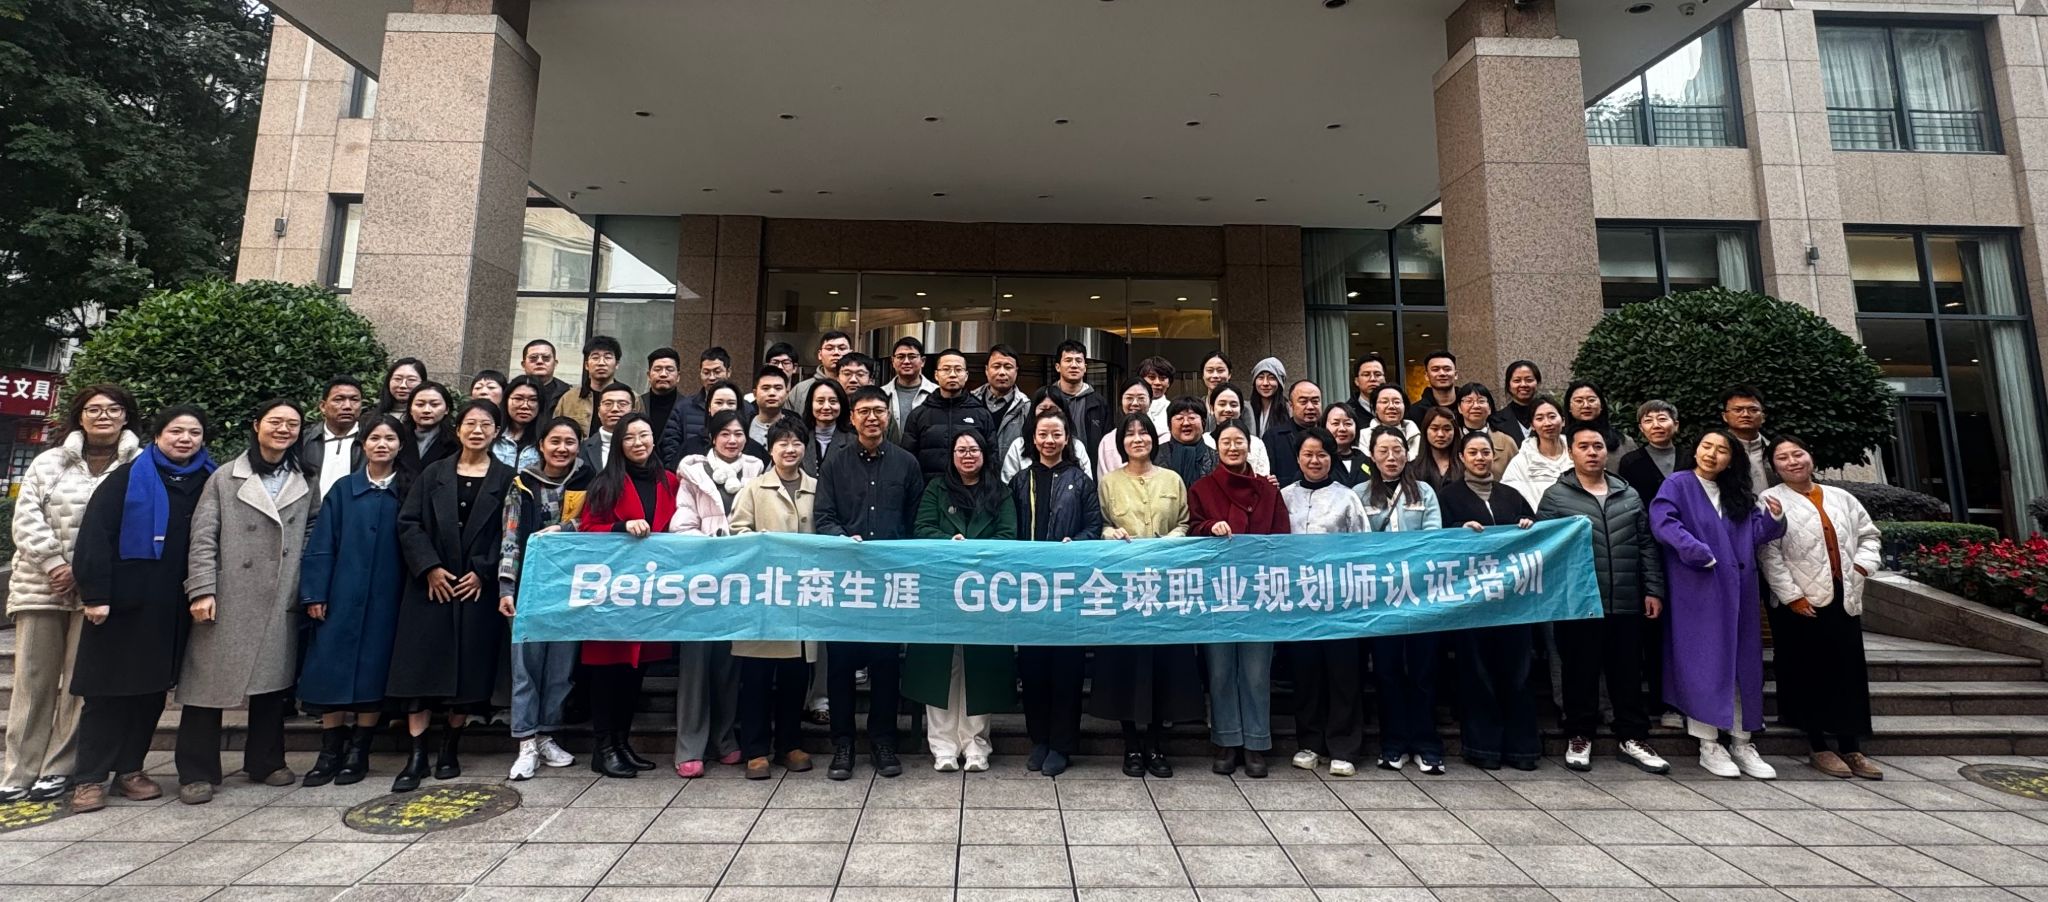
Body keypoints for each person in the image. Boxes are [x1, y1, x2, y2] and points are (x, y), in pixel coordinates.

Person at [65, 407, 211, 813]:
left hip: (171, 605)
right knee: (105, 692)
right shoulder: (128, 478)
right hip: (121, 602)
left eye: (194, 432)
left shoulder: (208, 480)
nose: (185, 439)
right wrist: (95, 594)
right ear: (158, 435)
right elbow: (95, 535)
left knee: (150, 692)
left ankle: (130, 769)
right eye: (176, 431)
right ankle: (89, 777)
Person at [177, 399, 319, 802]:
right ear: (256, 425)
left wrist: (301, 571)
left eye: (292, 424)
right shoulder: (225, 476)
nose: (284, 430)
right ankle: (196, 771)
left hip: (280, 589)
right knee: (207, 684)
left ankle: (266, 761)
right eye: (276, 422)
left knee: (272, 685)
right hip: (229, 592)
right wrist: (201, 588)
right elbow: (203, 535)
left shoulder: (306, 478)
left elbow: (313, 525)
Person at [6, 385, 141, 803]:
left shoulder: (138, 464)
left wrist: (89, 574)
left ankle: (59, 767)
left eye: (113, 409)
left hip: (97, 591)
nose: (104, 416)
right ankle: (20, 769)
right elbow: (26, 517)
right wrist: (54, 564)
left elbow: (135, 525)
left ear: (126, 416)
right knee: (33, 680)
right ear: (79, 416)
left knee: (79, 684)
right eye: (94, 409)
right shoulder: (49, 462)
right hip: (41, 584)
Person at [389, 399, 516, 792]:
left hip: (475, 588)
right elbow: (409, 523)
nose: (477, 431)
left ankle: (449, 749)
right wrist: (429, 566)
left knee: (466, 673)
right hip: (431, 586)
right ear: (458, 429)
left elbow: (510, 531)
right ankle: (416, 757)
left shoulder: (507, 478)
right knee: (420, 670)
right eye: (470, 424)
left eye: (486, 425)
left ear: (497, 432)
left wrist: (483, 571)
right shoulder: (434, 473)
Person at [1651, 428, 1787, 780]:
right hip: (1697, 587)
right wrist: (1697, 552)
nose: (1712, 454)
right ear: (1695, 450)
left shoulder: (1737, 494)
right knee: (1703, 661)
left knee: (1743, 664)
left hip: (1740, 590)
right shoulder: (1678, 484)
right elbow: (1663, 522)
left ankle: (1742, 741)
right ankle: (1708, 743)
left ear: (1731, 460)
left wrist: (1774, 519)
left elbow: (1756, 533)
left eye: (1721, 450)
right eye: (1706, 446)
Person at [1535, 422, 1671, 774]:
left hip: (1626, 599)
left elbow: (1646, 546)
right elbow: (1544, 549)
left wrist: (1653, 589)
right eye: (1584, 447)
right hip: (1578, 602)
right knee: (1579, 672)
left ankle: (1632, 737)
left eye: (1597, 446)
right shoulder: (1556, 496)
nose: (1592, 452)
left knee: (1627, 672)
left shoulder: (1628, 494)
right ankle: (1579, 735)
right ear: (1571, 453)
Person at [814, 386, 926, 780]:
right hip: (846, 579)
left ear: (888, 416)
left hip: (889, 581)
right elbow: (824, 516)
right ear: (852, 418)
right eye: (864, 411)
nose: (872, 418)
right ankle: (843, 744)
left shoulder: (906, 464)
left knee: (885, 664)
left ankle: (883, 741)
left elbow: (916, 520)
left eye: (879, 410)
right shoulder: (835, 463)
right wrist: (844, 539)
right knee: (840, 666)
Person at [1761, 436, 1884, 780]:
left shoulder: (1842, 497)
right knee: (1807, 671)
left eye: (1797, 454)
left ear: (1810, 457)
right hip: (1798, 601)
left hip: (1843, 596)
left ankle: (1851, 746)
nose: (1792, 461)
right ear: (1774, 467)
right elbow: (1768, 552)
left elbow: (1869, 535)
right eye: (1783, 458)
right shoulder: (1770, 500)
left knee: (1847, 671)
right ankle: (1818, 745)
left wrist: (1862, 566)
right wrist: (1791, 596)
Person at [297, 415, 408, 788]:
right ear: (363, 445)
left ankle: (359, 751)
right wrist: (315, 592)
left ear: (400, 446)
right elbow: (322, 543)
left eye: (390, 438)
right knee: (330, 667)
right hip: (341, 593)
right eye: (375, 438)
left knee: (374, 670)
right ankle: (329, 751)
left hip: (387, 597)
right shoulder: (344, 490)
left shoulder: (407, 490)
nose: (382, 444)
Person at [1095, 413, 1200, 779]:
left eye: (1144, 433)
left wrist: (1168, 542)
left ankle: (1155, 744)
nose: (1137, 439)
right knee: (1125, 664)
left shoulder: (1172, 479)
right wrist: (1111, 534)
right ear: (1121, 442)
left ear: (1154, 439)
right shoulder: (1109, 482)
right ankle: (1131, 745)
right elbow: (1102, 523)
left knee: (1163, 664)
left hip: (1164, 585)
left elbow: (1185, 522)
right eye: (1130, 434)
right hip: (1124, 586)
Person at [907, 431, 1018, 773]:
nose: (967, 456)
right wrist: (949, 540)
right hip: (941, 588)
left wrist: (976, 551)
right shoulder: (936, 489)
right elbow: (922, 528)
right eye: (960, 450)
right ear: (952, 456)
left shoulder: (1000, 491)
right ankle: (942, 746)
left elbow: (1008, 535)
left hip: (985, 590)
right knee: (940, 668)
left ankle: (976, 745)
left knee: (979, 669)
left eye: (973, 450)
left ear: (984, 454)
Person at [576, 413, 677, 779]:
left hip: (651, 594)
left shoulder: (670, 481)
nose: (638, 443)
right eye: (630, 437)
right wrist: (620, 527)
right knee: (608, 673)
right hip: (612, 593)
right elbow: (586, 530)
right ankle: (603, 748)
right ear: (619, 444)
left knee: (636, 674)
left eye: (644, 435)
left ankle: (622, 743)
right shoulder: (606, 483)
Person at [1189, 419, 1290, 777]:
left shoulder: (1268, 490)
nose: (1233, 448)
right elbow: (1191, 530)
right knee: (1219, 671)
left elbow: (1282, 538)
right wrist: (1209, 528)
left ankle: (1256, 743)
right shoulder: (1201, 488)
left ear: (1250, 446)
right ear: (1216, 447)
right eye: (1226, 442)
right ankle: (1226, 740)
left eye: (1239, 441)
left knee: (1256, 672)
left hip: (1260, 592)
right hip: (1217, 593)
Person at [1438, 431, 1541, 771]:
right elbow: (1437, 539)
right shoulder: (1448, 496)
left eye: (1485, 452)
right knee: (1477, 673)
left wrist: (1529, 524)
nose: (1480, 458)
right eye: (1473, 453)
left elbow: (1538, 533)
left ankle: (1522, 750)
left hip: (1513, 600)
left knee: (1518, 673)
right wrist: (1458, 528)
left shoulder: (1511, 495)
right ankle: (1483, 748)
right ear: (1462, 458)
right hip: (1471, 600)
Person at [497, 417, 590, 781]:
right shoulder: (522, 483)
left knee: (560, 671)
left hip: (572, 588)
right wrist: (506, 587)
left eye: (570, 442)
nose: (562, 449)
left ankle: (546, 735)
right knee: (526, 668)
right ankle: (525, 741)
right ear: (542, 445)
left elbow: (596, 523)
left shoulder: (588, 482)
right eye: (555, 441)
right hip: (530, 586)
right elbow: (510, 535)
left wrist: (565, 528)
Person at [669, 411, 760, 777]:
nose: (732, 440)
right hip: (701, 583)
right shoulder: (693, 474)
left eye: (738, 433)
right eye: (724, 434)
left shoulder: (757, 471)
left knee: (728, 663)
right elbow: (681, 526)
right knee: (696, 665)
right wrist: (715, 546)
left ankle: (724, 739)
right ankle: (689, 746)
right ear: (711, 437)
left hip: (741, 583)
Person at [1011, 405, 1100, 778]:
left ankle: (1062, 743)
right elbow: (1010, 529)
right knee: (1033, 667)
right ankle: (1039, 739)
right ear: (1033, 439)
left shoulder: (1081, 481)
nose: (1049, 440)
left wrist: (1075, 543)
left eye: (1056, 434)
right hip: (1029, 588)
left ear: (1067, 439)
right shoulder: (1020, 481)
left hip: (1068, 587)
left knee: (1066, 668)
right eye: (1043, 434)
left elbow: (1094, 526)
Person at [727, 422, 819, 779]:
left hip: (803, 596)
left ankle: (789, 744)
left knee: (796, 677)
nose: (790, 449)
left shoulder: (817, 488)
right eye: (782, 443)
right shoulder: (754, 488)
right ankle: (755, 750)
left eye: (796, 443)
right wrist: (759, 541)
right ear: (770, 449)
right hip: (764, 596)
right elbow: (736, 531)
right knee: (757, 678)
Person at [1279, 426, 1370, 777]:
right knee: (1306, 674)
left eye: (1321, 454)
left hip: (1339, 600)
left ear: (1331, 458)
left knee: (1343, 673)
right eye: (1308, 454)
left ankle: (1344, 746)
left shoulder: (1347, 498)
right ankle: (1310, 742)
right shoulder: (1285, 496)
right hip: (1297, 601)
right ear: (1297, 458)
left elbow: (1363, 547)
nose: (1314, 461)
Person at [1358, 425, 1446, 774]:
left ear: (1407, 454)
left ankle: (1427, 745)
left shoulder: (1424, 491)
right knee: (1387, 671)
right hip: (1381, 598)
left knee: (1424, 671)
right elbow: (1357, 543)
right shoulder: (1360, 494)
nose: (1391, 457)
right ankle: (1393, 744)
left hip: (1421, 595)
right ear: (1372, 456)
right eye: (1383, 451)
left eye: (1397, 450)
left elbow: (1433, 537)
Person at [1618, 398, 1693, 729]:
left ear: (1676, 424)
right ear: (1640, 428)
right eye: (1648, 420)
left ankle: (1692, 698)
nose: (1656, 425)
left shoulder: (1692, 457)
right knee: (1654, 628)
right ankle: (1662, 701)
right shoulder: (1631, 462)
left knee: (1688, 628)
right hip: (1649, 550)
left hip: (1689, 550)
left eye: (1662, 418)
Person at [902, 348, 994, 480]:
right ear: (936, 375)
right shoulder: (919, 414)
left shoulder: (981, 414)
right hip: (929, 489)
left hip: (970, 488)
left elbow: (992, 458)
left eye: (958, 369)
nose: (952, 375)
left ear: (966, 375)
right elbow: (907, 460)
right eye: (946, 369)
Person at [660, 347, 746, 467]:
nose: (711, 377)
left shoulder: (747, 409)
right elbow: (670, 447)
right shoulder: (683, 408)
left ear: (728, 371)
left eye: (717, 372)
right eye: (706, 372)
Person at [1002, 388, 1094, 481]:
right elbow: (1008, 483)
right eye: (1043, 409)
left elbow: (1086, 483)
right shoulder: (1019, 446)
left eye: (1054, 409)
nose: (1048, 414)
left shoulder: (1077, 446)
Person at [555, 335, 639, 433]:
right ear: (586, 365)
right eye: (595, 357)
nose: (601, 363)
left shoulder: (632, 398)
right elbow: (556, 431)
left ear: (617, 364)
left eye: (607, 357)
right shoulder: (569, 399)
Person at [1501, 396, 1571, 510]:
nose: (1547, 423)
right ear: (1532, 425)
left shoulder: (1578, 454)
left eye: (1552, 417)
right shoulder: (1521, 462)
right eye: (1539, 418)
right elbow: (1507, 496)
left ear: (1563, 421)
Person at [300, 376, 364, 496]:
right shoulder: (304, 439)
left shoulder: (370, 440)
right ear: (323, 406)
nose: (347, 406)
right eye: (339, 400)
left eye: (354, 400)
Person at [1048, 339, 1111, 453]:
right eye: (1068, 360)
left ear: (1085, 367)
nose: (1074, 365)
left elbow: (1108, 442)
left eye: (1078, 360)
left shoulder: (1098, 402)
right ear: (1058, 367)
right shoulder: (1047, 399)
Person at [975, 344, 1031, 458]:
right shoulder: (971, 401)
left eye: (1008, 367)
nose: (1002, 372)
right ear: (986, 370)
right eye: (996, 366)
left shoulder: (1025, 406)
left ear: (1016, 371)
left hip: (1011, 469)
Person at [1264, 379, 1323, 487]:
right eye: (1303, 402)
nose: (1310, 407)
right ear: (1291, 405)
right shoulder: (1274, 437)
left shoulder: (1329, 435)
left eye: (1315, 401)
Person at [1206, 383, 1272, 477]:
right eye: (1222, 404)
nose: (1228, 409)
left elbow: (1262, 479)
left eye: (1233, 405)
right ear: (1212, 408)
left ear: (1241, 410)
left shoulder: (1256, 443)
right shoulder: (1204, 441)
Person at [1452, 383, 1520, 473]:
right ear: (1459, 408)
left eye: (1481, 401)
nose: (1476, 406)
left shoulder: (1506, 442)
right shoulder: (1452, 440)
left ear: (1490, 408)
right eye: (1469, 401)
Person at [1093, 379, 1153, 481]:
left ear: (1150, 401)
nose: (1135, 403)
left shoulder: (1164, 437)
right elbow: (1104, 482)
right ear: (1121, 401)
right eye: (1129, 398)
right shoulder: (1108, 440)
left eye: (1141, 398)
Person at [1720, 386, 1776, 493]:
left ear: (1763, 417)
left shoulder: (1775, 451)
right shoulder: (1714, 451)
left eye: (1753, 410)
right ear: (1725, 416)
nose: (1745, 414)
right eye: (1738, 410)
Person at [881, 336, 935, 445]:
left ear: (922, 361)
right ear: (893, 361)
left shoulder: (936, 393)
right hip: (890, 453)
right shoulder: (881, 394)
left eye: (912, 356)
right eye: (900, 357)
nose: (906, 361)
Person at [1566, 381, 1632, 469]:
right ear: (1569, 407)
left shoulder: (1623, 441)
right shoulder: (1560, 441)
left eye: (1591, 400)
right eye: (1579, 401)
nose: (1586, 405)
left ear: (1602, 405)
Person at [577, 383, 641, 474]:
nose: (615, 409)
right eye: (608, 404)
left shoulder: (644, 446)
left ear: (633, 411)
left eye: (622, 404)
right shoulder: (583, 449)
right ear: (599, 412)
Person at [787, 331, 852, 414]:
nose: (836, 353)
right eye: (829, 348)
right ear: (820, 355)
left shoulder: (857, 385)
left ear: (851, 353)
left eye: (842, 348)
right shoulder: (801, 389)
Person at [1161, 396, 1218, 490]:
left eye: (1192, 417)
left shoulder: (1216, 458)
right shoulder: (1155, 455)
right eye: (1179, 418)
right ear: (1169, 425)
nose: (1186, 423)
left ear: (1203, 422)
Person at [799, 378, 851, 477]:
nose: (826, 407)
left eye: (833, 401)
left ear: (841, 405)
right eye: (820, 401)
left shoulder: (853, 442)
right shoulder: (799, 438)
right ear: (810, 404)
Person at [403, 381, 458, 473]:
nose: (426, 410)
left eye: (434, 404)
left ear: (447, 409)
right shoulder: (398, 436)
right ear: (410, 409)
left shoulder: (456, 441)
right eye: (420, 404)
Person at [495, 375, 545, 471]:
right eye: (518, 399)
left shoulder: (546, 439)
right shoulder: (492, 434)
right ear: (506, 400)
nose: (525, 406)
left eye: (533, 400)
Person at [1490, 360, 1542, 444]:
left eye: (1529, 380)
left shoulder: (1550, 417)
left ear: (1538, 383)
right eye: (1517, 380)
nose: (1523, 385)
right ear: (1508, 386)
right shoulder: (1495, 420)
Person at [1410, 406, 1461, 488]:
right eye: (1434, 429)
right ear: (1425, 431)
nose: (1440, 434)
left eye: (1447, 429)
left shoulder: (1466, 466)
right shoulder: (1412, 468)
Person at [520, 339, 574, 414]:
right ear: (523, 364)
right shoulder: (510, 392)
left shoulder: (569, 394)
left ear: (555, 364)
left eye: (546, 358)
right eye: (533, 358)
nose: (539, 362)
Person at [1407, 350, 1460, 427]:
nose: (1442, 373)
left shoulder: (1470, 408)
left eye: (1447, 369)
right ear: (1426, 376)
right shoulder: (1414, 413)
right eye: (1435, 369)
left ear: (1456, 375)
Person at [642, 347, 684, 444]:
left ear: (678, 376)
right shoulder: (638, 403)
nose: (663, 374)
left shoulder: (688, 407)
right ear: (648, 375)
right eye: (658, 369)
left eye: (669, 369)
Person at [1321, 404, 1369, 486]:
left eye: (1348, 423)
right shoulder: (1319, 461)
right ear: (1324, 427)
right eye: (1335, 423)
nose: (1342, 429)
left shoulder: (1368, 461)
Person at [1367, 384, 1421, 457]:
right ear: (1375, 408)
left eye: (1397, 402)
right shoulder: (1363, 436)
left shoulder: (1417, 435)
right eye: (1384, 402)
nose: (1391, 406)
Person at [747, 366, 791, 446]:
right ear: (755, 394)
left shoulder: (796, 426)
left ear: (787, 394)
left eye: (778, 388)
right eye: (766, 388)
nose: (772, 393)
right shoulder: (743, 425)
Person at [1247, 357, 1288, 437]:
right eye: (1261, 378)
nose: (1265, 383)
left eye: (1271, 378)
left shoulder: (1289, 410)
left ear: (1280, 383)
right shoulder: (1247, 409)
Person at [1344, 353, 1388, 423]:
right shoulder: (1346, 413)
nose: (1372, 379)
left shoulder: (1396, 409)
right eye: (1366, 374)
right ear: (1357, 381)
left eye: (1377, 374)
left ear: (1385, 379)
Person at [1137, 356, 1177, 433]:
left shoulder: (1175, 410)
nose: (1157, 382)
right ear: (1141, 380)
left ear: (1169, 383)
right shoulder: (1132, 407)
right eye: (1152, 377)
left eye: (1163, 378)